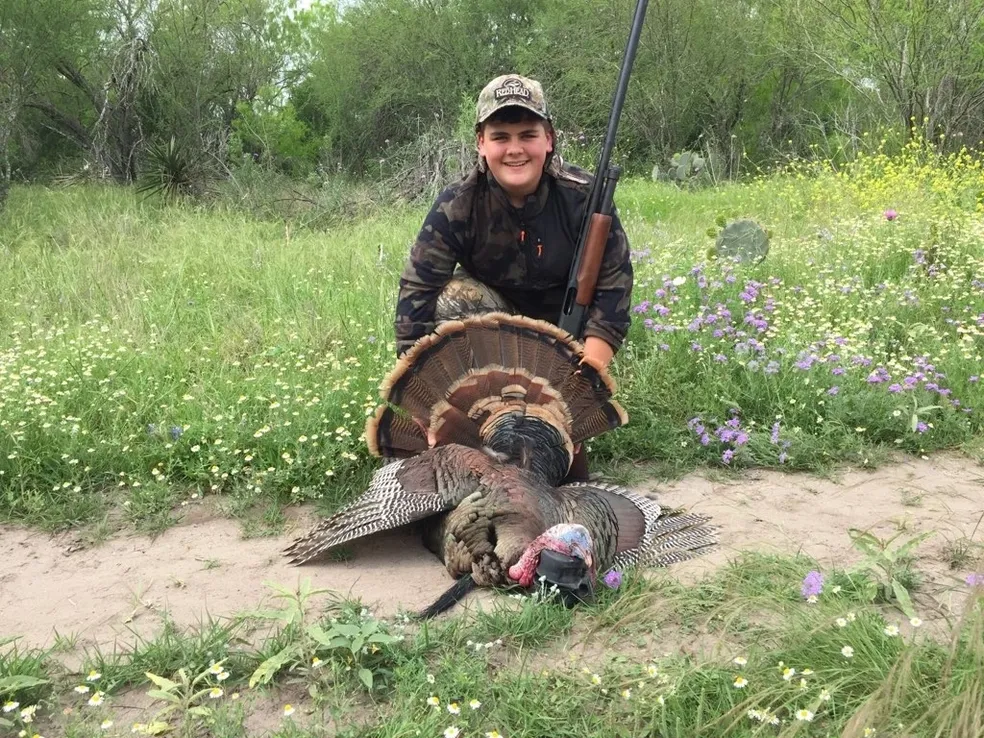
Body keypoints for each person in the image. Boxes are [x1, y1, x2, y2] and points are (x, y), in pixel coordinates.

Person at [393, 73, 634, 480]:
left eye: (528, 134)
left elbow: (613, 298)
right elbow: (414, 299)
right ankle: (471, 431)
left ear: (549, 140)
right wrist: (424, 402)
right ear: (480, 144)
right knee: (452, 297)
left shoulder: (584, 199)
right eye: (501, 136)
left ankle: (548, 433)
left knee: (568, 478)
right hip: (491, 343)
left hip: (565, 344)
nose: (515, 149)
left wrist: (577, 399)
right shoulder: (458, 204)